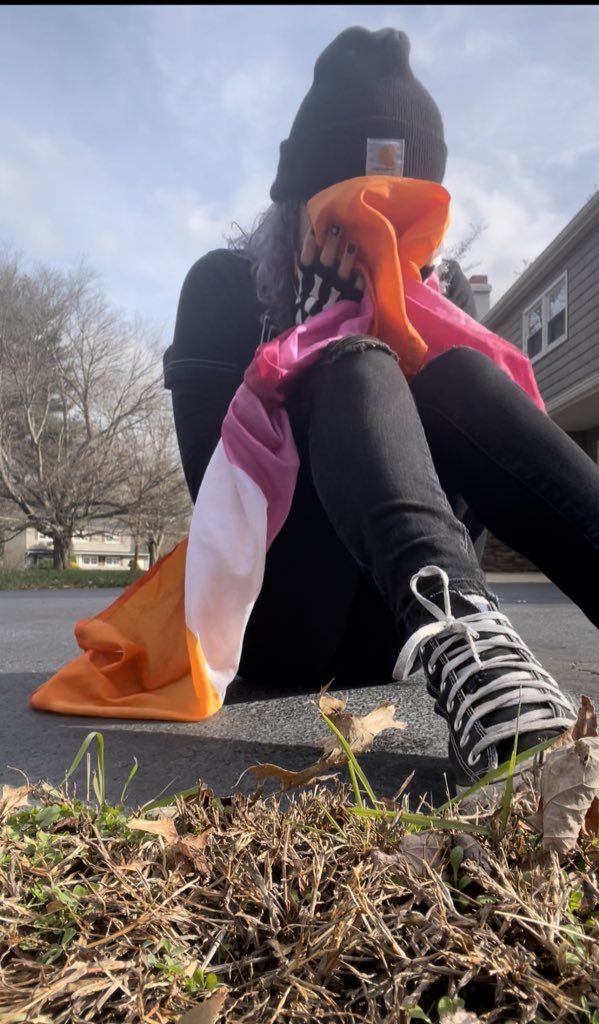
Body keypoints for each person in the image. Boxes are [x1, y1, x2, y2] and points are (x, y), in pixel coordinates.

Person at [163, 26, 598, 788]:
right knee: (350, 362)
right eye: (349, 213)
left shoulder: (445, 294)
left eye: (402, 220)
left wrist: (406, 319)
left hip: (394, 624)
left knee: (458, 371)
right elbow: (213, 493)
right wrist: (316, 337)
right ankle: (463, 625)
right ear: (300, 199)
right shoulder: (223, 287)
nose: (375, 238)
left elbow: (473, 486)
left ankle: (474, 652)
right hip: (275, 616)